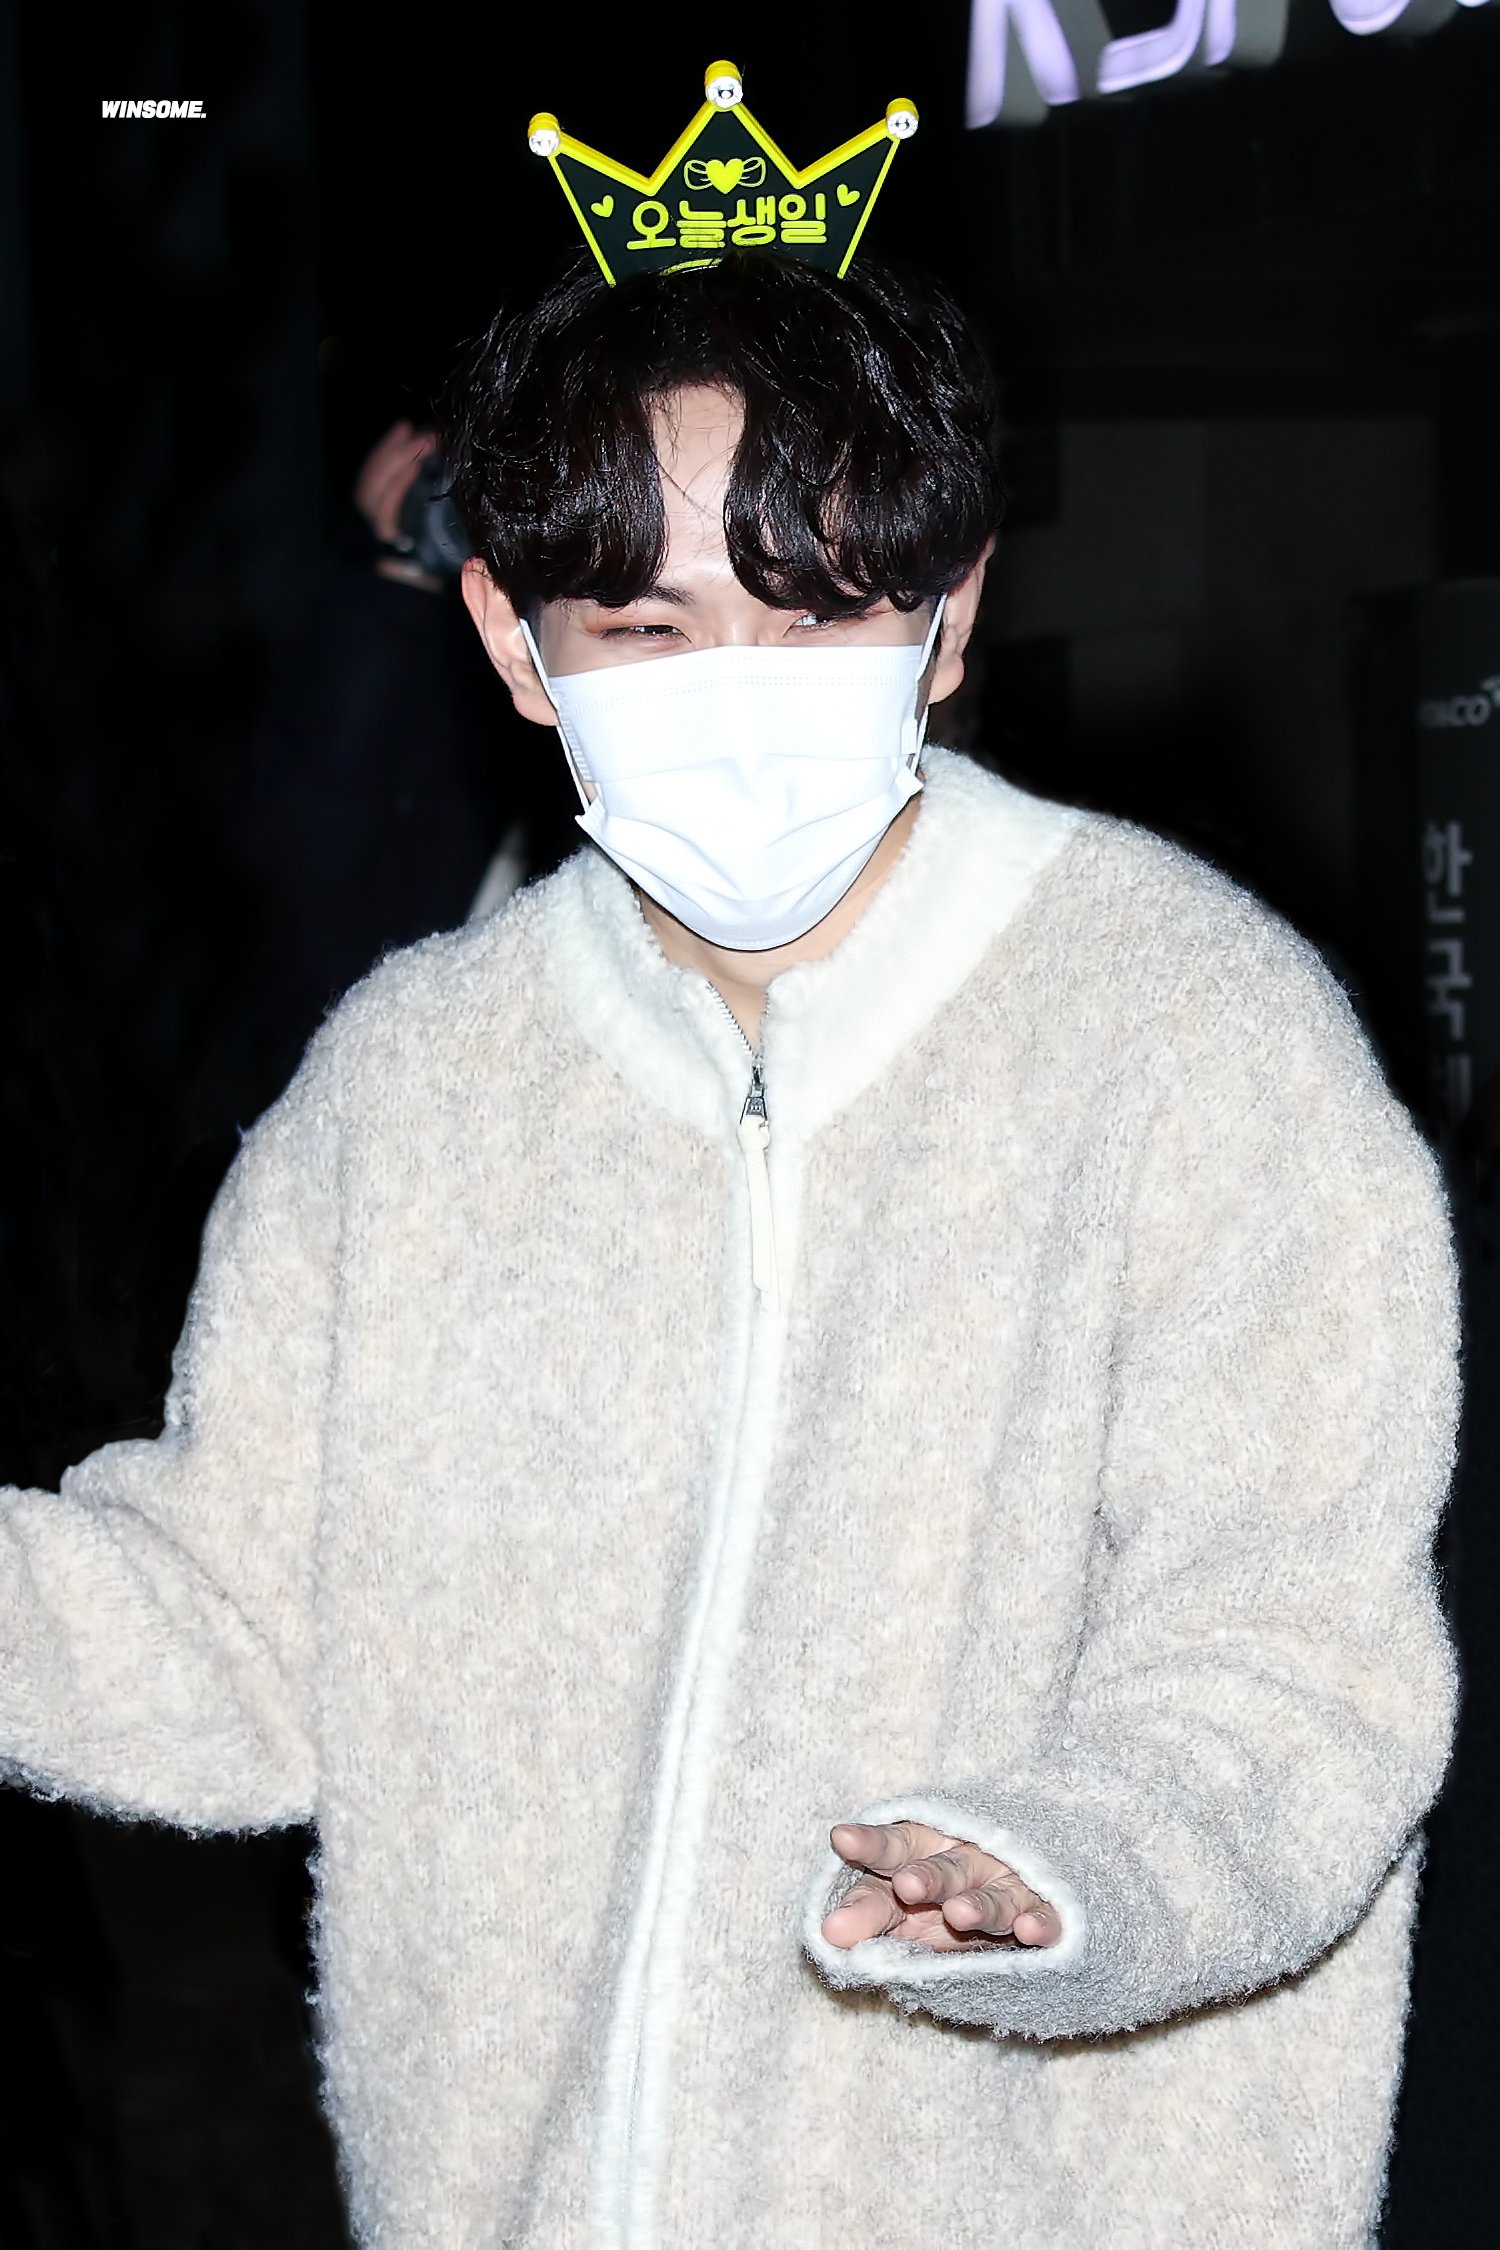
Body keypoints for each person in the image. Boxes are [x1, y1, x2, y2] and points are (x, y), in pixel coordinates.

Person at [0, 250, 1457, 2247]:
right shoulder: (412, 1092)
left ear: (948, 613)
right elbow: (237, 1631)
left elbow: (1300, 1657)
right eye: (648, 623)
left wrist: (1070, 1863)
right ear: (514, 641)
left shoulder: (1191, 1037)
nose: (738, 688)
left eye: (814, 609)